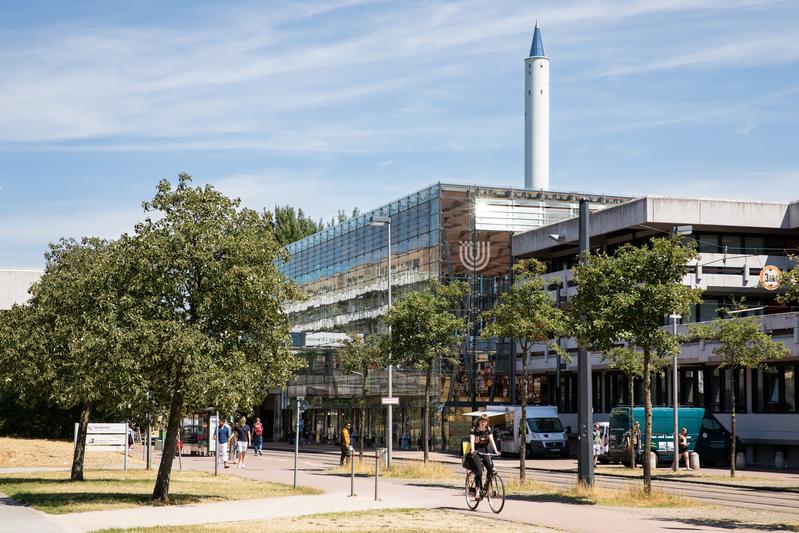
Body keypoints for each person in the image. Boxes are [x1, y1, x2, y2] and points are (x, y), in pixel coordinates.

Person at [467, 413, 500, 500]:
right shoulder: (474, 430)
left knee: (491, 470)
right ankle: (477, 493)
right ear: (479, 422)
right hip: (476, 452)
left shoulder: (488, 429)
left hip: (485, 452)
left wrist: (496, 451)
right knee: (479, 471)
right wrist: (473, 449)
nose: (483, 423)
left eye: (485, 422)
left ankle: (486, 485)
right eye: (482, 421)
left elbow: (492, 441)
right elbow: (472, 439)